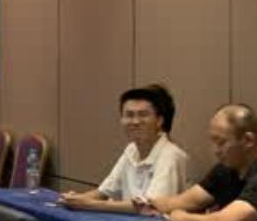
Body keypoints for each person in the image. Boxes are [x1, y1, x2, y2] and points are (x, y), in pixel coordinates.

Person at [59, 84, 189, 212]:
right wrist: (75, 199)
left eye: (143, 115)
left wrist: (89, 204)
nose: (135, 122)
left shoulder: (171, 155)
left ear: (159, 120)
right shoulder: (131, 149)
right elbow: (104, 191)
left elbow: (149, 206)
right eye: (129, 115)